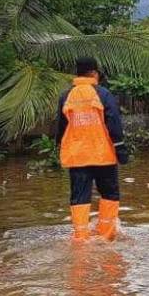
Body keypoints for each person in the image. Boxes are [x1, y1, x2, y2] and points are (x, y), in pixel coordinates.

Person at [56, 57, 129, 242]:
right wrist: (120, 148)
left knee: (79, 196)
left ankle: (80, 238)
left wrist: (60, 148)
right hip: (103, 155)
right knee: (109, 194)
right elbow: (113, 123)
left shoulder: (66, 96)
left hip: (77, 156)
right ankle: (106, 234)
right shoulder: (103, 94)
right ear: (94, 73)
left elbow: (61, 128)